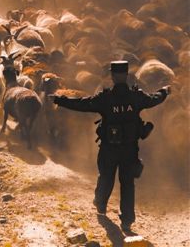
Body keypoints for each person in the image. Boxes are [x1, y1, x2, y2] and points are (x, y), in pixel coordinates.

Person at [49, 60, 171, 233]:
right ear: (126, 76)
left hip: (109, 148)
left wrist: (59, 100)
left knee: (106, 177)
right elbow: (154, 99)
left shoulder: (104, 98)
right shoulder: (137, 97)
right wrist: (164, 91)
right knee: (127, 184)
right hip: (130, 149)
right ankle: (127, 221)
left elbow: (82, 104)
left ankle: (101, 205)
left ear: (112, 76)